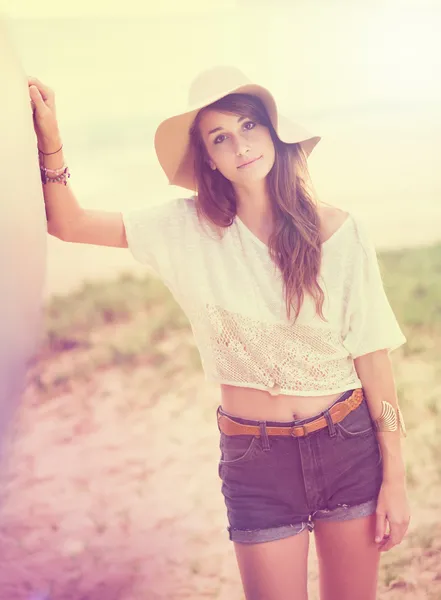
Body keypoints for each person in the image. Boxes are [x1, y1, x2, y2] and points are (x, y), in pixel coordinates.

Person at [28, 65, 411, 600]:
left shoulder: (340, 232)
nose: (240, 145)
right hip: (257, 460)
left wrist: (394, 475)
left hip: (346, 445)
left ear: (274, 133)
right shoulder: (185, 229)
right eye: (220, 137)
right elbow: (68, 223)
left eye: (249, 126)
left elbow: (372, 358)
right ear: (207, 156)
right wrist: (51, 143)